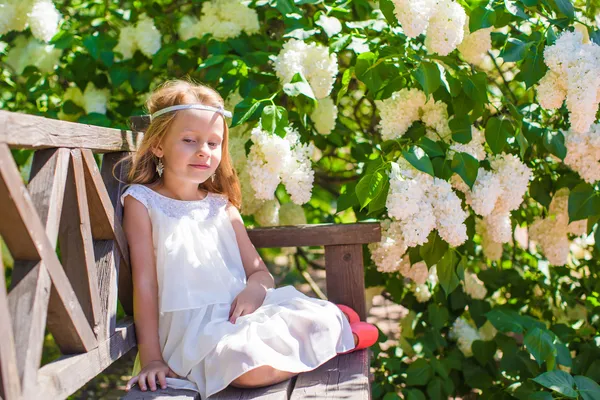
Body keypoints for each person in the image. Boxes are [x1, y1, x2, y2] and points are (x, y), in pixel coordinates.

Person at [118, 79, 378, 398]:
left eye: (214, 143)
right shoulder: (142, 202)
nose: (204, 151)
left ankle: (336, 325)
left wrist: (255, 290)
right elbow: (145, 284)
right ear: (158, 145)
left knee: (303, 319)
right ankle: (340, 334)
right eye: (189, 140)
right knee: (247, 368)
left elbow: (259, 272)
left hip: (238, 316)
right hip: (192, 333)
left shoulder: (221, 207)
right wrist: (153, 359)